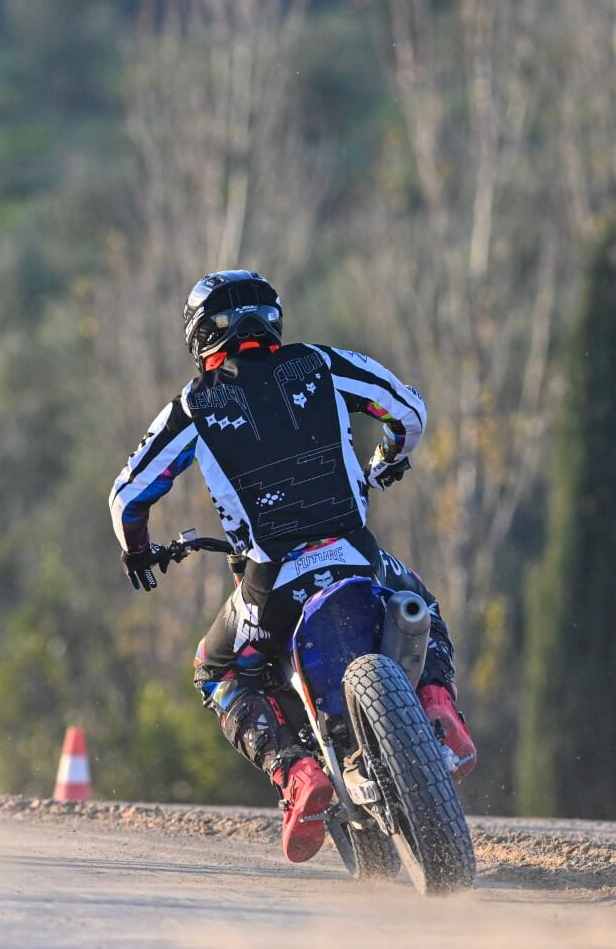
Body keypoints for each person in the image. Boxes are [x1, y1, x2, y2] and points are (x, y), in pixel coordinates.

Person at [107, 271, 476, 863]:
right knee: (420, 601)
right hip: (358, 557)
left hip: (272, 585)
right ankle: (437, 702)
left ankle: (297, 773)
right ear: (274, 320)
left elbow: (128, 496)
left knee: (214, 670)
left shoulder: (193, 405)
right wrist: (387, 460)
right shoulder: (323, 364)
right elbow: (407, 411)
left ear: (200, 336)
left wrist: (139, 549)